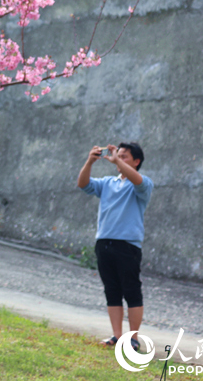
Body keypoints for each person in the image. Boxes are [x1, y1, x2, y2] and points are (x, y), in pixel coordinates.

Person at [77, 142, 153, 350]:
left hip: (127, 246)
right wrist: (90, 161)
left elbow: (137, 180)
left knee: (131, 291)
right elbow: (83, 184)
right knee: (112, 290)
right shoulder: (107, 183)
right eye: (116, 155)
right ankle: (117, 336)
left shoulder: (143, 184)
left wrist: (116, 160)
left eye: (124, 156)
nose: (117, 159)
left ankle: (133, 338)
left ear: (136, 162)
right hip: (104, 243)